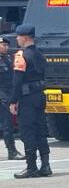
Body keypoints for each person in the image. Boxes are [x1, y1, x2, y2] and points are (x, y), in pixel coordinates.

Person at [10, 25, 51, 178]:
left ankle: (31, 167)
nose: (17, 39)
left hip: (26, 98)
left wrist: (13, 101)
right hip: (40, 96)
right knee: (41, 131)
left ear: (25, 37)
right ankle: (46, 165)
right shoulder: (40, 54)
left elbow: (17, 81)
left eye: (19, 36)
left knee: (28, 132)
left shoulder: (21, 55)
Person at [0, 37, 25, 160]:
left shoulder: (9, 58)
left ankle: (12, 150)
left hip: (7, 94)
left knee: (8, 124)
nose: (6, 47)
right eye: (3, 45)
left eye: (6, 45)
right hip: (2, 94)